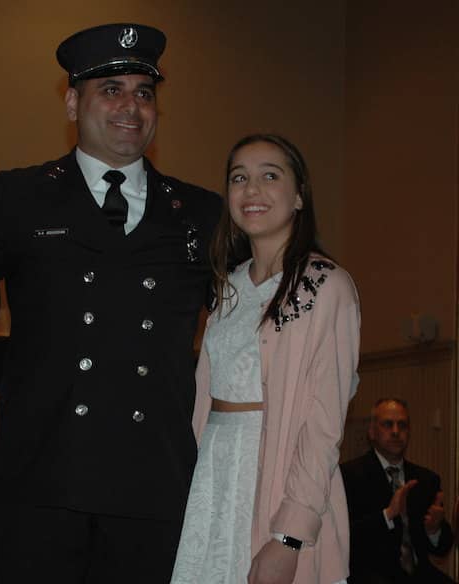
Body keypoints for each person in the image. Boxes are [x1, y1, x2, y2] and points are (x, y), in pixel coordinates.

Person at [0, 23, 222, 584]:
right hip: (45, 482)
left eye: (143, 91)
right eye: (111, 89)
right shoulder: (21, 199)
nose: (130, 106)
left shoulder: (201, 214)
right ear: (71, 102)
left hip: (151, 485)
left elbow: (251, 322)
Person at [172, 134, 360, 584]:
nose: (252, 189)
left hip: (275, 486)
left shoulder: (327, 286)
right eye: (240, 178)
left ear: (298, 196)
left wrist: (288, 537)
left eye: (269, 176)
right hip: (212, 484)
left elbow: (323, 426)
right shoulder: (227, 286)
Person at [341, 398, 455, 583]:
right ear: (372, 432)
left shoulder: (426, 480)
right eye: (388, 424)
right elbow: (345, 536)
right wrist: (387, 515)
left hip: (419, 575)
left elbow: (442, 548)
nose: (396, 431)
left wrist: (434, 530)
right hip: (370, 574)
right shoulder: (349, 475)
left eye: (402, 425)